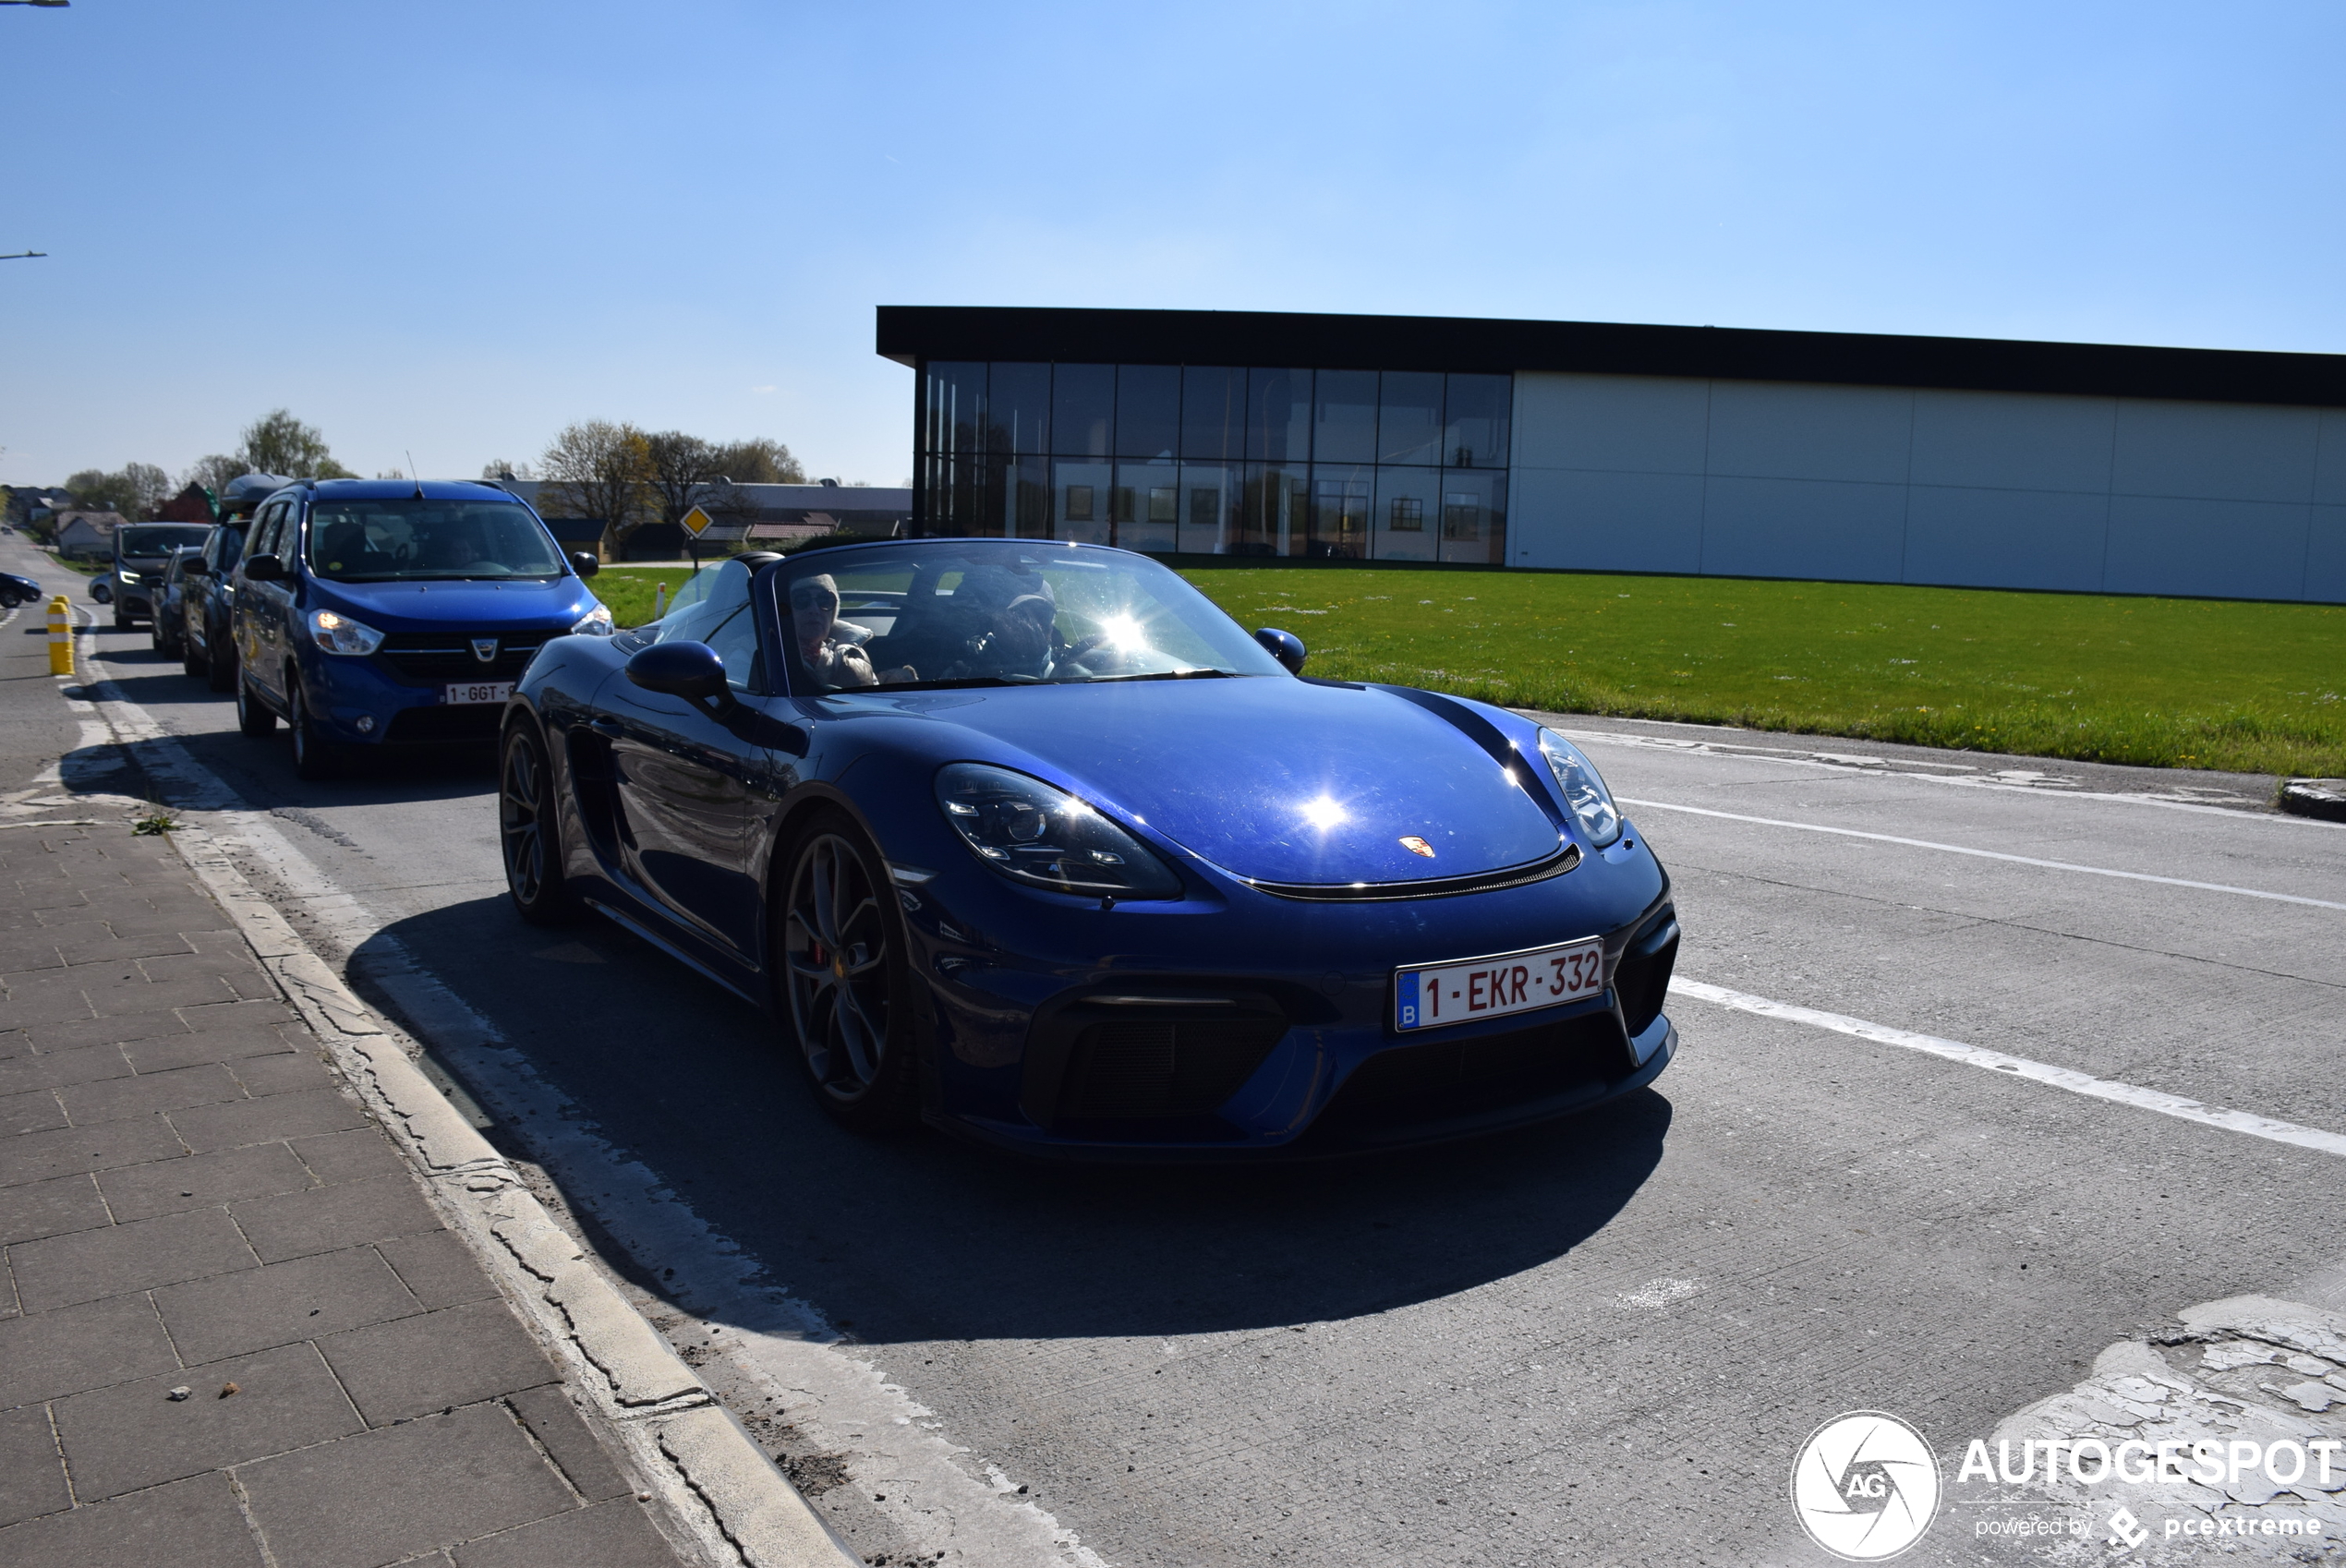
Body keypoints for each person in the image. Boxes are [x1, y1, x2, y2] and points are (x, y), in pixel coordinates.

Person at [790, 573, 885, 689]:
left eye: (824, 600)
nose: (814, 610)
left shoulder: (854, 655)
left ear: (832, 613)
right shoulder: (770, 659)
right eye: (801, 600)